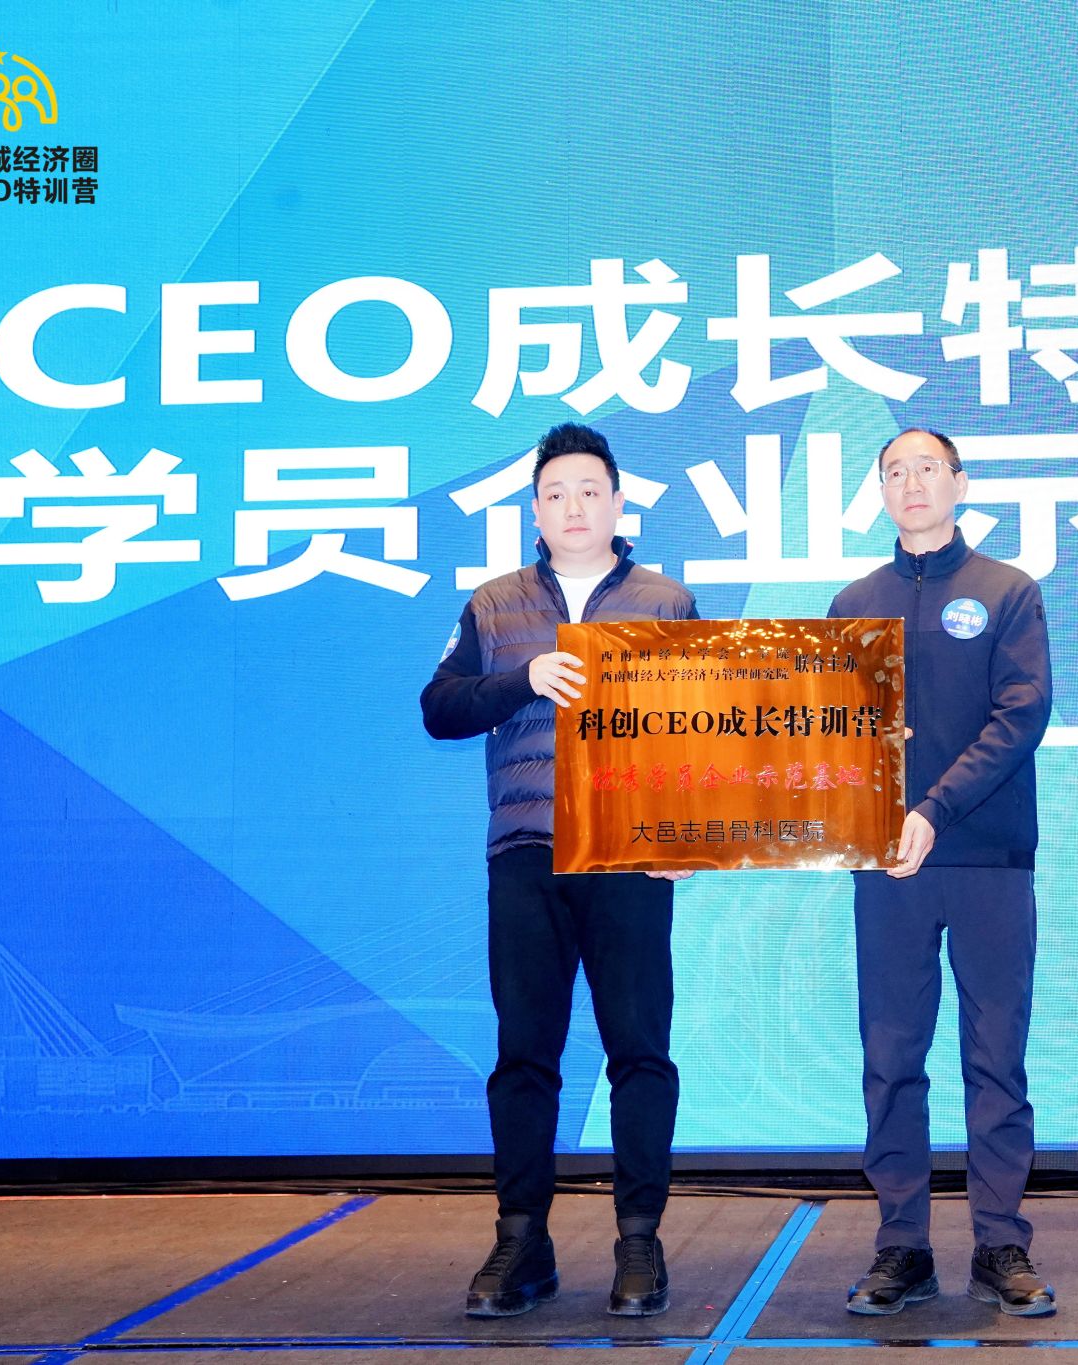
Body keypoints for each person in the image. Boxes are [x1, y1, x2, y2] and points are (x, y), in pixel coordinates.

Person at [421, 421, 697, 1319]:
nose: (573, 506)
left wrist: (686, 838)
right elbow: (439, 708)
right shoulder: (495, 605)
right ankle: (521, 1241)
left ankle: (640, 1239)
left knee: (639, 1050)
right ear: (534, 511)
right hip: (527, 854)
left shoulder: (667, 602)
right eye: (555, 493)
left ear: (617, 503)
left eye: (589, 490)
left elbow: (707, 732)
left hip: (629, 853)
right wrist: (524, 678)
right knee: (524, 1054)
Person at [826, 427, 1056, 1317]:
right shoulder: (853, 605)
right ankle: (902, 1245)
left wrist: (933, 807)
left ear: (960, 482)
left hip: (987, 856)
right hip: (887, 865)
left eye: (927, 467)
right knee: (890, 1055)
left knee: (996, 1055)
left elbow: (1020, 716)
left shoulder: (1007, 591)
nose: (911, 482)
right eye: (894, 471)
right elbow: (823, 737)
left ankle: (1000, 1241)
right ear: (881, 492)